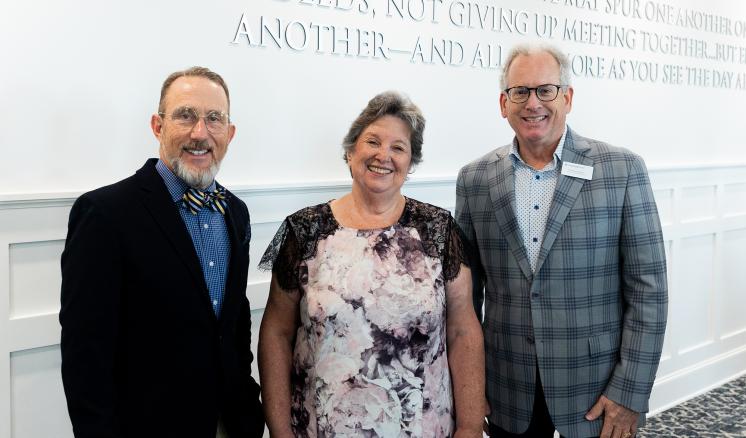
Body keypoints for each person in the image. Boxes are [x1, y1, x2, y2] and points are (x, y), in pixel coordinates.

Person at [455, 43, 668, 438]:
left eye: (545, 90)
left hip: (596, 390)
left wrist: (630, 391)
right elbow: (467, 297)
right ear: (504, 103)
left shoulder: (622, 170)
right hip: (507, 389)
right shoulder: (475, 179)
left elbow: (649, 293)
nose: (532, 103)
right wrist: (472, 387)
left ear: (567, 98)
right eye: (520, 92)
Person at [258, 91, 486, 437]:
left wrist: (469, 427)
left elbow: (462, 329)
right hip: (322, 427)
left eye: (399, 147)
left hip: (423, 426)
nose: (384, 156)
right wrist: (279, 431)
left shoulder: (438, 230)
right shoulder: (305, 231)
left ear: (410, 164)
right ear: (350, 153)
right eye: (373, 142)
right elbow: (276, 332)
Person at [60, 67, 264, 438]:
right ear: (158, 126)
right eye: (185, 116)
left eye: (213, 119)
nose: (199, 133)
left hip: (230, 423)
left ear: (229, 134)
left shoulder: (235, 212)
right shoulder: (105, 213)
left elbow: (233, 328)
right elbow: (85, 354)